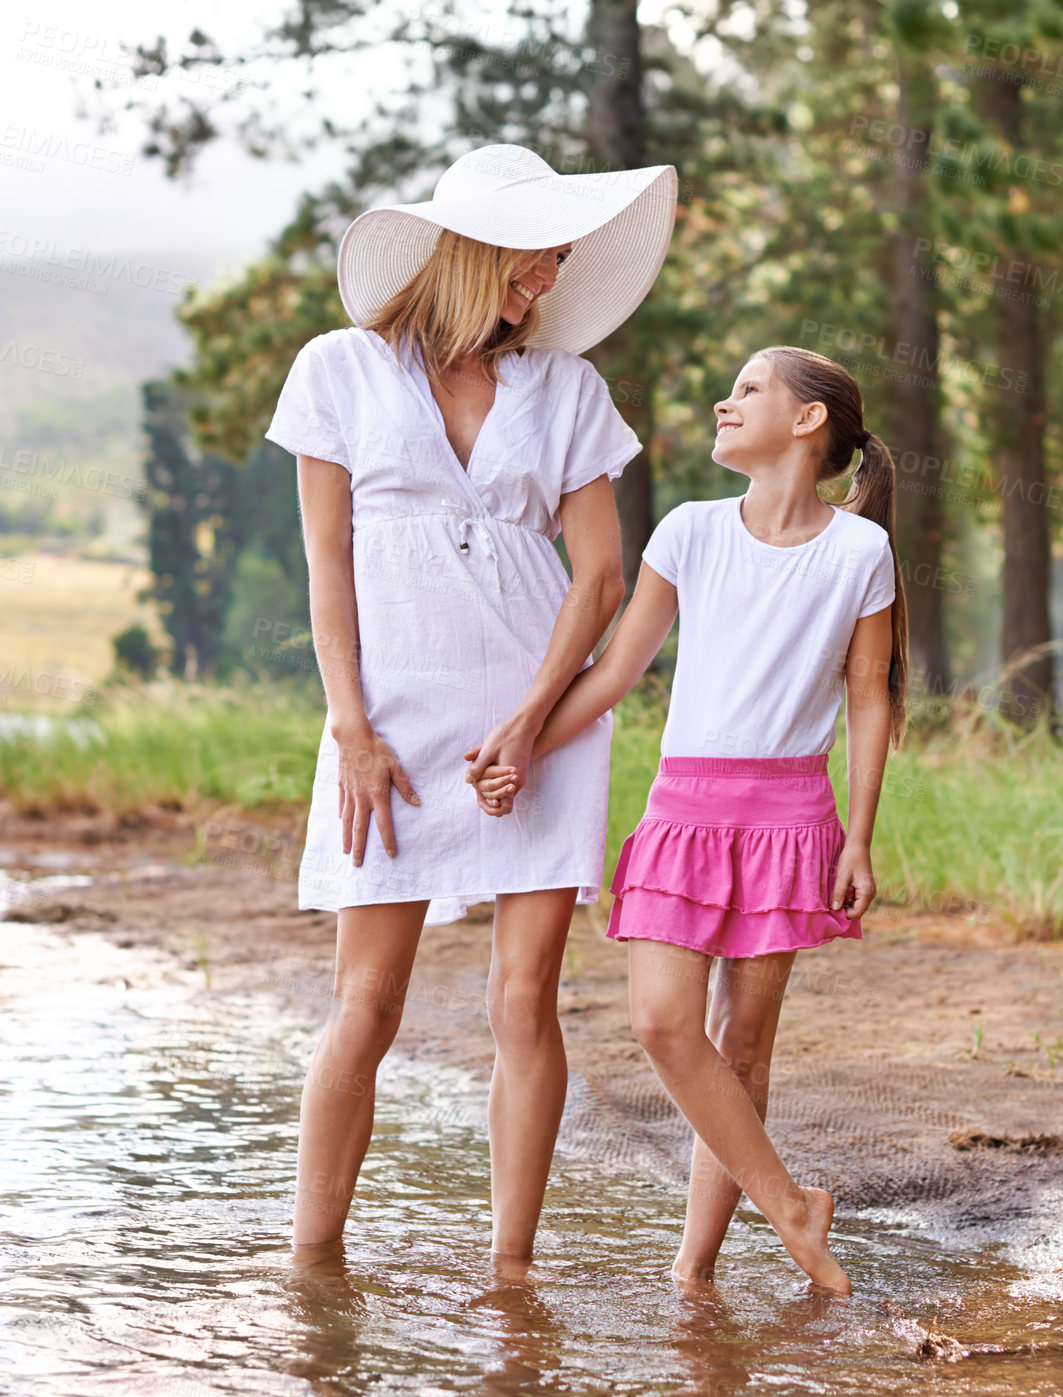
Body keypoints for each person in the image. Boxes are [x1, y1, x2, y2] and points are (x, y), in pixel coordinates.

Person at [263, 142, 678, 1258]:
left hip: (535, 717)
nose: (546, 285)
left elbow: (599, 576)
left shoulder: (565, 388)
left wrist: (536, 721)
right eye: (532, 262)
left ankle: (510, 1273)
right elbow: (328, 566)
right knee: (367, 1002)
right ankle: (312, 1267)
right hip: (388, 720)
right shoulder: (339, 369)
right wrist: (350, 725)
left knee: (523, 997)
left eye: (555, 266)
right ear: (468, 252)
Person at [475, 346, 909, 1297]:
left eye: (749, 389)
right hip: (683, 808)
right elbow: (618, 672)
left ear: (807, 422)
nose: (725, 400)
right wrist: (524, 740)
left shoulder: (859, 552)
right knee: (663, 1022)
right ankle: (793, 1207)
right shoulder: (687, 531)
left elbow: (869, 698)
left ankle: (694, 1271)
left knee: (744, 1046)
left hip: (791, 816)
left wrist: (862, 836)